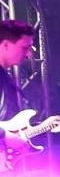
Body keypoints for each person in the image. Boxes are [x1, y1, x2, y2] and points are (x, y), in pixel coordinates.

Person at [0, 19, 36, 160]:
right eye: (24, 48)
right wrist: (5, 135)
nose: (28, 54)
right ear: (6, 45)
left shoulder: (5, 76)